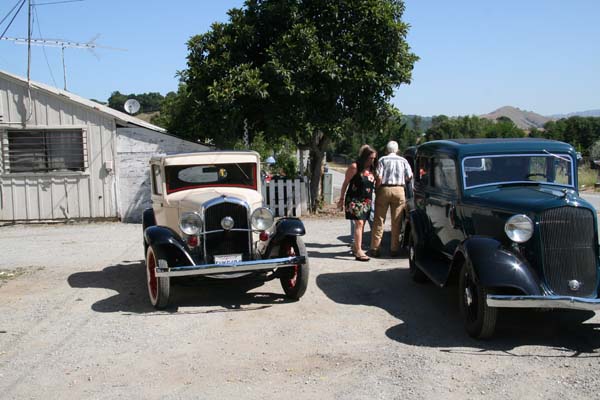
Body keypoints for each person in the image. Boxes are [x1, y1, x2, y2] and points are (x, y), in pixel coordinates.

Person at [369, 140, 413, 257]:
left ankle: (375, 248)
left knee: (379, 220)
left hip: (384, 188)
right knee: (396, 220)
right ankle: (394, 249)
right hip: (399, 190)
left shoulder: (383, 160)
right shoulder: (403, 160)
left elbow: (378, 176)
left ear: (386, 150)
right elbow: (409, 176)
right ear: (397, 150)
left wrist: (377, 190)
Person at [337, 145, 377, 261]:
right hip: (354, 199)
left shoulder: (372, 169)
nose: (372, 160)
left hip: (367, 200)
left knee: (362, 224)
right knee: (359, 223)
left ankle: (356, 247)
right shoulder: (355, 167)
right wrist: (341, 198)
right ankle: (359, 251)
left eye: (374, 158)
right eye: (370, 158)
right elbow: (345, 183)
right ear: (364, 157)